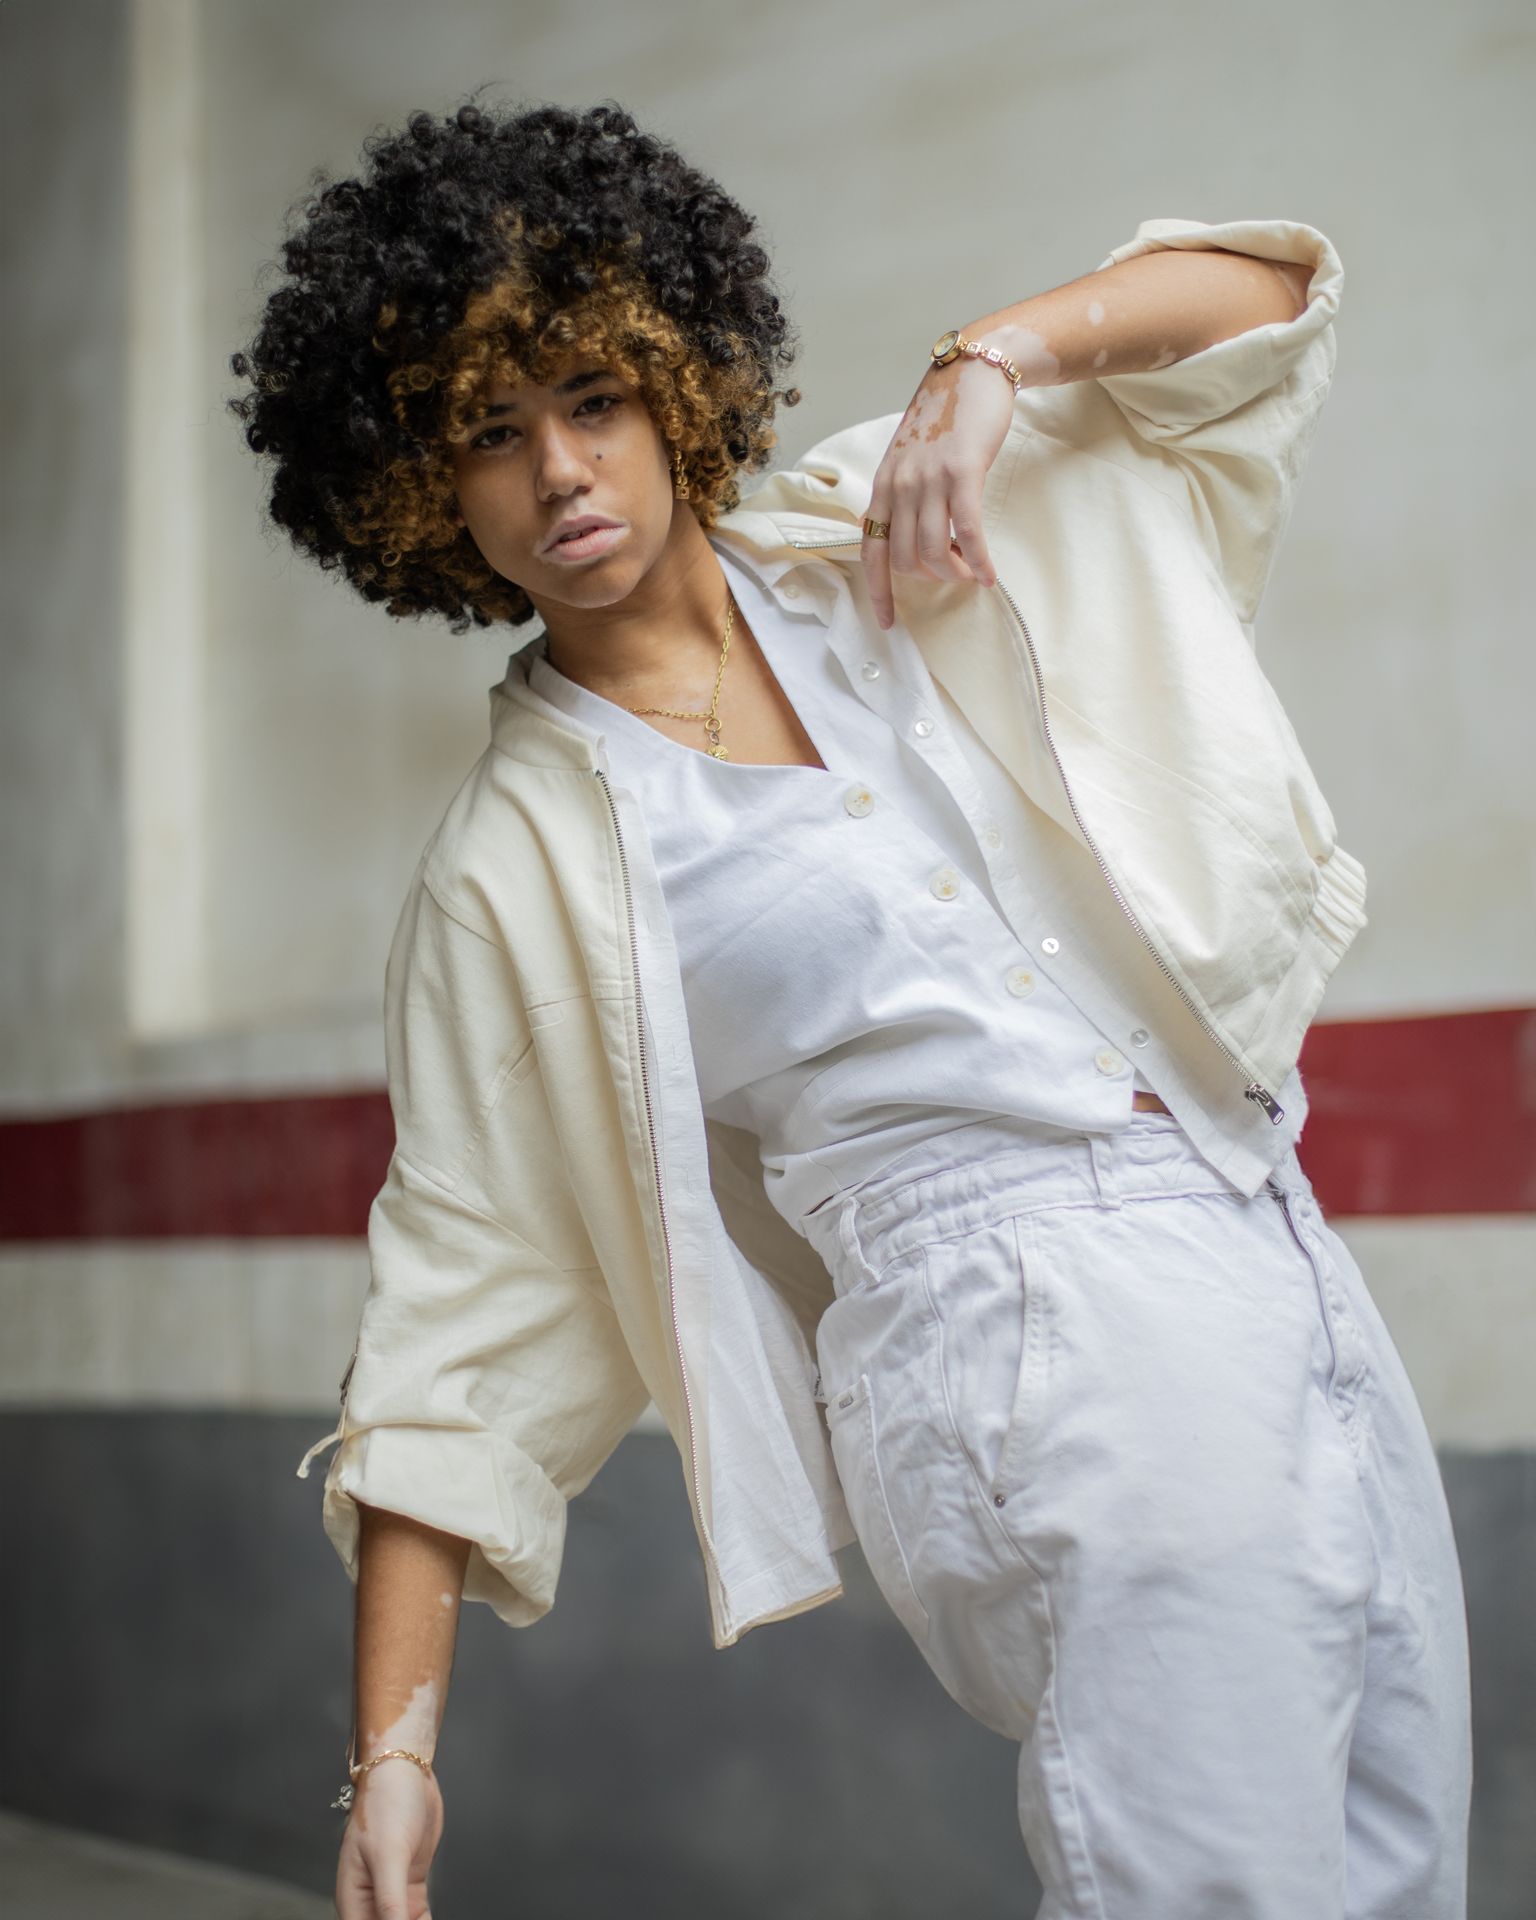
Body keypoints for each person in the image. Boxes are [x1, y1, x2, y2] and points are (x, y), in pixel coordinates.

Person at [231, 94, 1473, 1920]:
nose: (560, 471)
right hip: (1016, 1328)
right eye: (489, 433)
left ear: (677, 378)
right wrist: (393, 1758)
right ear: (418, 490)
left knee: (1397, 1873)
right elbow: (456, 1308)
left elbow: (1264, 304)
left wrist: (989, 363)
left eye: (593, 396)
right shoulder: (515, 868)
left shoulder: (885, 525)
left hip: (1267, 1232)